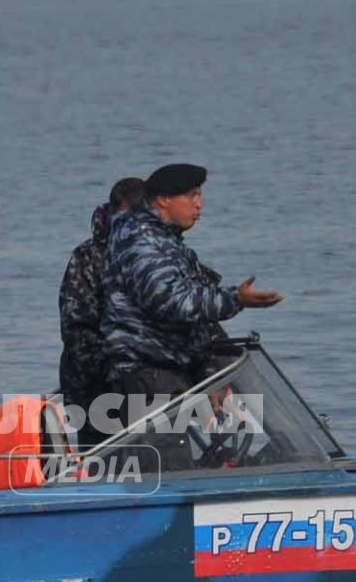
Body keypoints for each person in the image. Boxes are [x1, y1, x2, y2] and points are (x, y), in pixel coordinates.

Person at [100, 162, 282, 435]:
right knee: (168, 463)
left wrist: (209, 368)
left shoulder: (164, 240)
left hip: (169, 368)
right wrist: (236, 298)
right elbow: (171, 302)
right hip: (149, 372)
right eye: (192, 196)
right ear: (163, 200)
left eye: (200, 196)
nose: (199, 205)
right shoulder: (141, 240)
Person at [58, 177, 145, 446]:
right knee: (103, 462)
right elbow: (76, 330)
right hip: (96, 388)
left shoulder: (151, 254)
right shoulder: (88, 257)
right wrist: (116, 373)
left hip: (145, 384)